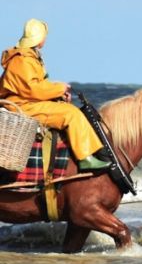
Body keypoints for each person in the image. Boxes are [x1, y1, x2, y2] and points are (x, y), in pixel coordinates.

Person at [0, 19, 111, 170]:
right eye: (44, 36)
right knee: (71, 113)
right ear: (39, 38)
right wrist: (59, 88)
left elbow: (36, 86)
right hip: (24, 106)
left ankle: (92, 151)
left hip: (29, 103)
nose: (45, 39)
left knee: (65, 107)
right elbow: (33, 89)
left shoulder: (29, 57)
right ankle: (85, 158)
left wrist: (57, 93)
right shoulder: (22, 60)